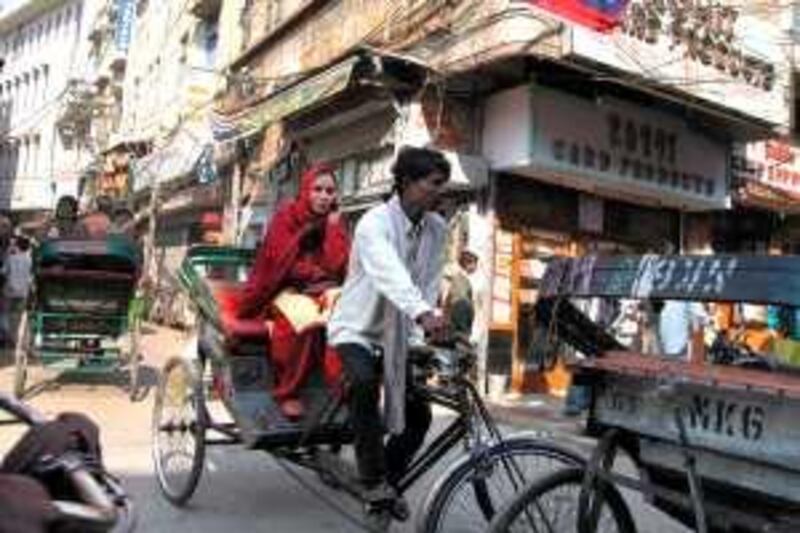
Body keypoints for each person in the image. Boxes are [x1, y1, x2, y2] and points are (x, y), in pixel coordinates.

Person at [327, 146, 450, 529]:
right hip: (356, 329)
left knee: (419, 415)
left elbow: (428, 282)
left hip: (399, 334)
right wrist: (423, 314)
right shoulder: (373, 223)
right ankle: (372, 480)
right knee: (364, 383)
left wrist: (424, 331)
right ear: (407, 182)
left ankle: (388, 487)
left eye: (441, 185)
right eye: (432, 184)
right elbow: (389, 273)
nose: (438, 192)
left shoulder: (437, 228)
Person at [238, 164, 350, 418]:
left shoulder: (332, 223)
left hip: (324, 290)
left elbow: (339, 264)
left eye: (330, 191)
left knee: (352, 320)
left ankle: (340, 385)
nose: (324, 196)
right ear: (305, 190)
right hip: (284, 289)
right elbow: (280, 262)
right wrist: (315, 274)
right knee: (306, 323)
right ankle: (287, 391)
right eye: (318, 189)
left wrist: (333, 229)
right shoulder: (286, 217)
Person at [2, 236, 32, 349]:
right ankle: (21, 341)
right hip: (23, 292)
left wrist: (7, 254)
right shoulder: (29, 259)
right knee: (20, 317)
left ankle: (8, 338)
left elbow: (3, 272)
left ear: (17, 246)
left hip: (10, 291)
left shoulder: (11, 258)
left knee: (6, 314)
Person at [441, 248, 478, 337]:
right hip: (454, 317)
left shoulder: (465, 277)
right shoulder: (456, 275)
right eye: (473, 263)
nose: (474, 266)